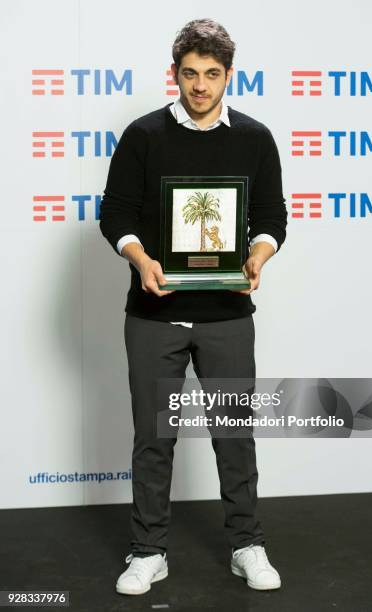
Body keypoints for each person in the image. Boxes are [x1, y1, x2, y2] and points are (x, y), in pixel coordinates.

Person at [99, 18, 287, 596]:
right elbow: (116, 214)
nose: (200, 85)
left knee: (234, 432)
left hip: (228, 314)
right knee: (154, 439)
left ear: (229, 75)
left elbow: (272, 217)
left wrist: (259, 253)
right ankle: (148, 550)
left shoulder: (254, 137)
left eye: (211, 74)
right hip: (153, 313)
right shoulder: (143, 134)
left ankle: (246, 544)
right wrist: (138, 258)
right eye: (189, 73)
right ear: (174, 74)